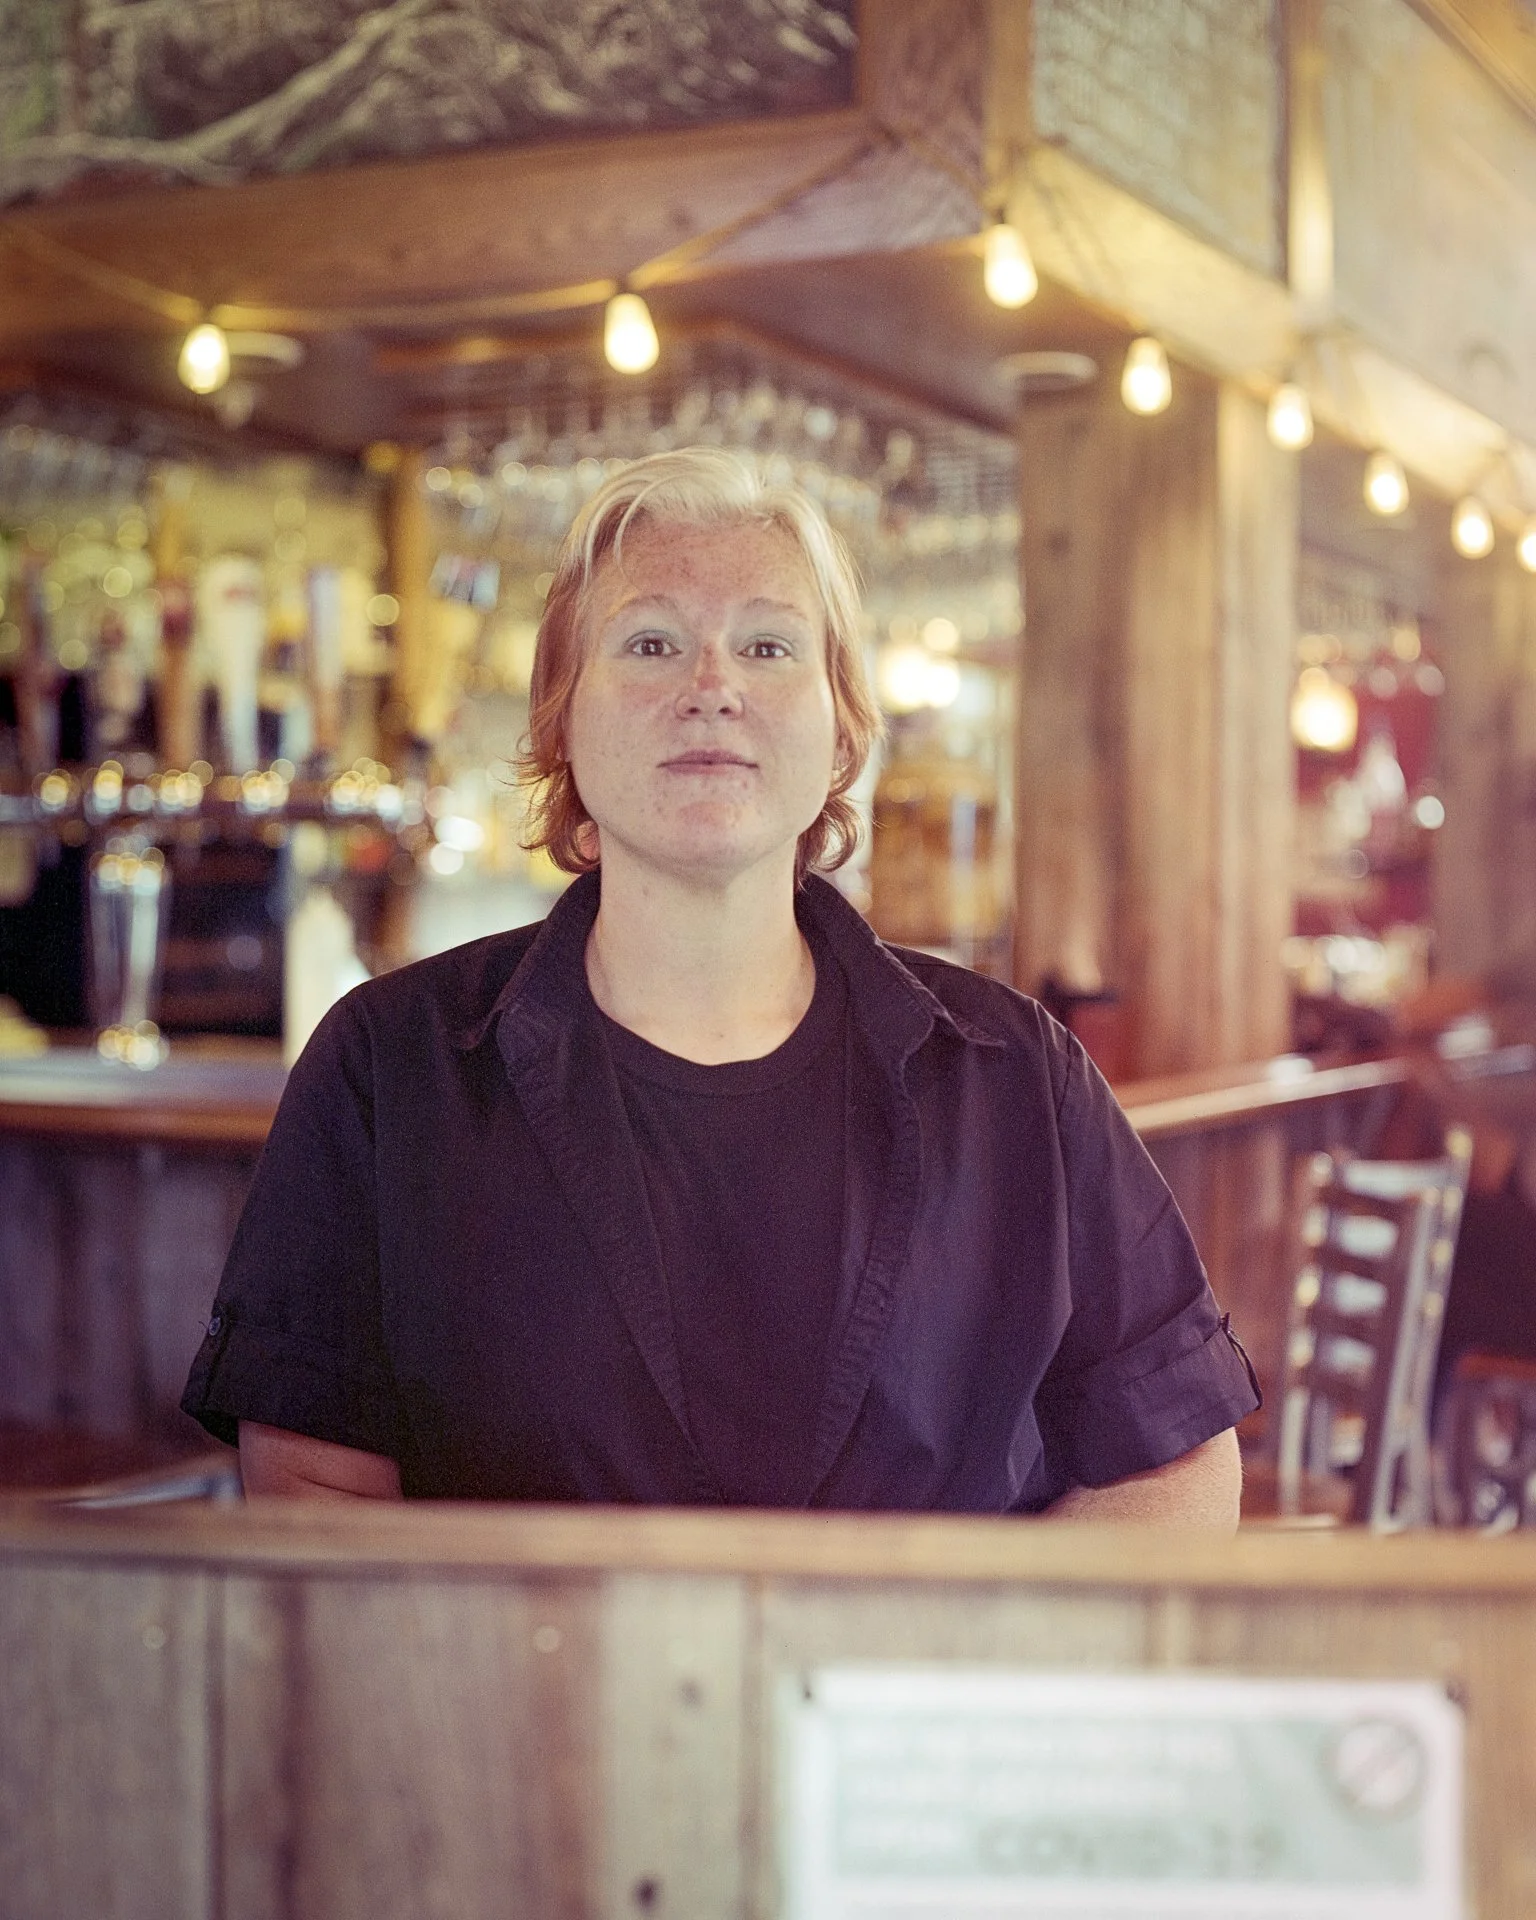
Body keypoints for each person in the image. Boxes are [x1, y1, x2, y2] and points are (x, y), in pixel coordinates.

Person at [182, 448, 1258, 1521]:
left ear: (842, 731)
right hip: (531, 1693)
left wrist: (962, 1673)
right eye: (650, 643)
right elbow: (314, 1493)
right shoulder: (387, 1069)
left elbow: (1175, 1469)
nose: (712, 686)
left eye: (767, 645)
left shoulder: (1019, 1076)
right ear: (560, 718)